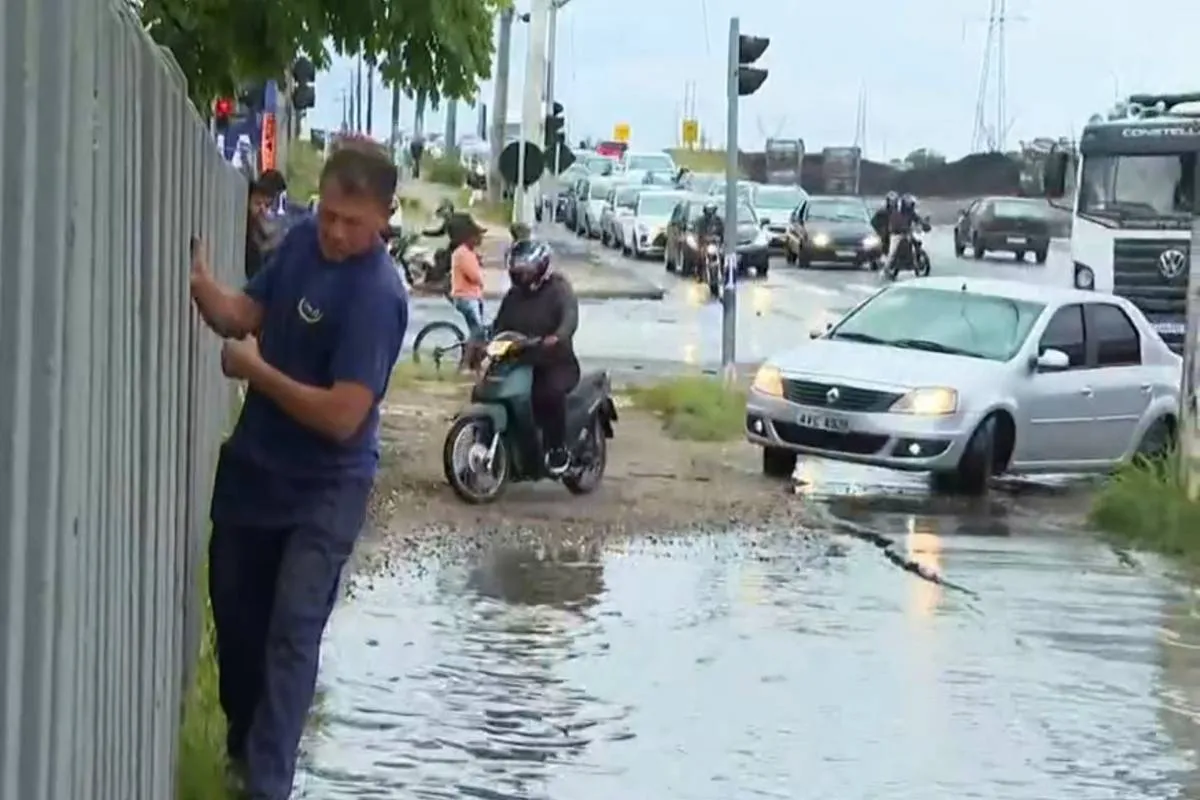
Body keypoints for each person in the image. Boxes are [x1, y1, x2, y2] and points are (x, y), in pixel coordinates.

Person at [189, 138, 407, 799]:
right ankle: (243, 749)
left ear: (383, 218)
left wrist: (257, 371)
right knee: (236, 615)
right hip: (257, 468)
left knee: (292, 631)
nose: (337, 233)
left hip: (326, 488)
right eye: (331, 215)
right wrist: (202, 289)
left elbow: (344, 416)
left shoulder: (378, 296)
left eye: (354, 223)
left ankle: (267, 786)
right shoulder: (303, 244)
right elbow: (246, 314)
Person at [490, 240, 580, 475]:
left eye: (525, 268)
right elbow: (499, 325)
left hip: (555, 361)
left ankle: (557, 449)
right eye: (516, 268)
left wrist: (558, 336)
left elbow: (569, 317)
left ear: (541, 266)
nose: (520, 273)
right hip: (520, 359)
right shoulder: (513, 296)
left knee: (547, 394)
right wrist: (483, 341)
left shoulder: (559, 289)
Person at [449, 214, 488, 359]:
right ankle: (466, 364)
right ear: (468, 237)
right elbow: (474, 277)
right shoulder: (463, 254)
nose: (480, 239)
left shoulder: (466, 253)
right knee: (477, 331)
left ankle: (474, 362)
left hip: (469, 296)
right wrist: (480, 276)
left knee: (477, 330)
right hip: (467, 297)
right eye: (478, 236)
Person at [883, 193, 930, 272]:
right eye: (909, 204)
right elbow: (894, 222)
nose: (910, 205)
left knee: (916, 242)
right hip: (896, 233)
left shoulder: (910, 212)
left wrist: (924, 224)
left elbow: (917, 219)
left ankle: (915, 258)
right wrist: (898, 227)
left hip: (907, 232)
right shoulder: (897, 211)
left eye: (911, 204)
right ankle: (886, 269)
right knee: (892, 252)